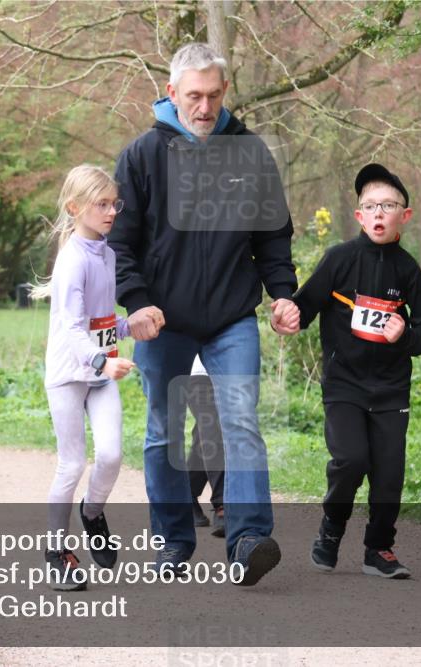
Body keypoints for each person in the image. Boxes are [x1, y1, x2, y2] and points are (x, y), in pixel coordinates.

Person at [108, 43, 299, 586]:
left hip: (232, 317)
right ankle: (172, 540)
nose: (205, 106)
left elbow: (273, 240)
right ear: (172, 93)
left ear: (224, 92)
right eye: (194, 95)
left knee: (240, 424)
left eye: (214, 94)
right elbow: (121, 245)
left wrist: (282, 294)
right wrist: (138, 302)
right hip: (163, 320)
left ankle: (247, 542)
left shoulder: (251, 153)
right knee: (164, 432)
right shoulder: (143, 156)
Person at [291, 163, 421, 579]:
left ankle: (379, 549)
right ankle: (331, 529)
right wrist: (287, 315)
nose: (378, 213)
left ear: (404, 216)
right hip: (345, 385)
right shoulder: (339, 259)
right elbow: (304, 307)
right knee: (351, 460)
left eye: (388, 205)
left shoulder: (407, 269)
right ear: (359, 215)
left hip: (391, 389)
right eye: (370, 206)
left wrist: (405, 334)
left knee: (389, 473)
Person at [32, 165, 136, 591]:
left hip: (99, 371)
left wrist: (133, 326)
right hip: (69, 375)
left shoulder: (107, 254)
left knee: (111, 455)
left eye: (114, 204)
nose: (111, 211)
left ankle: (92, 513)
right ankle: (56, 551)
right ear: (75, 208)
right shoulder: (72, 261)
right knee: (72, 463)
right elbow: (74, 331)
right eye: (102, 204)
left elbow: (100, 323)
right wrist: (103, 363)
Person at [186, 355, 225, 538]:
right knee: (210, 427)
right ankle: (222, 505)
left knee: (205, 431)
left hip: (227, 367)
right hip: (198, 370)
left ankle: (186, 495)